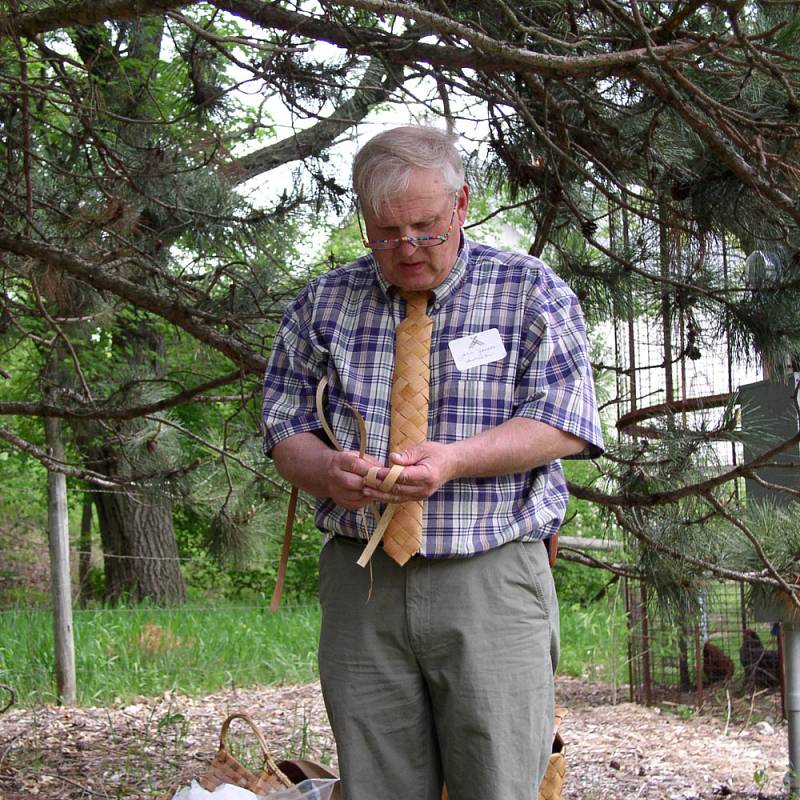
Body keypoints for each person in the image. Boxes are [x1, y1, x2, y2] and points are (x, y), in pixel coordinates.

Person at [262, 126, 603, 800]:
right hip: (363, 587)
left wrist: (455, 461)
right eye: (386, 233)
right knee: (377, 785)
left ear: (462, 205)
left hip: (491, 578)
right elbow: (282, 427)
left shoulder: (529, 291)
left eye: (425, 227)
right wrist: (327, 471)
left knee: (499, 784)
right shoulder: (322, 305)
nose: (408, 249)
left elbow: (567, 421)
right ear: (364, 223)